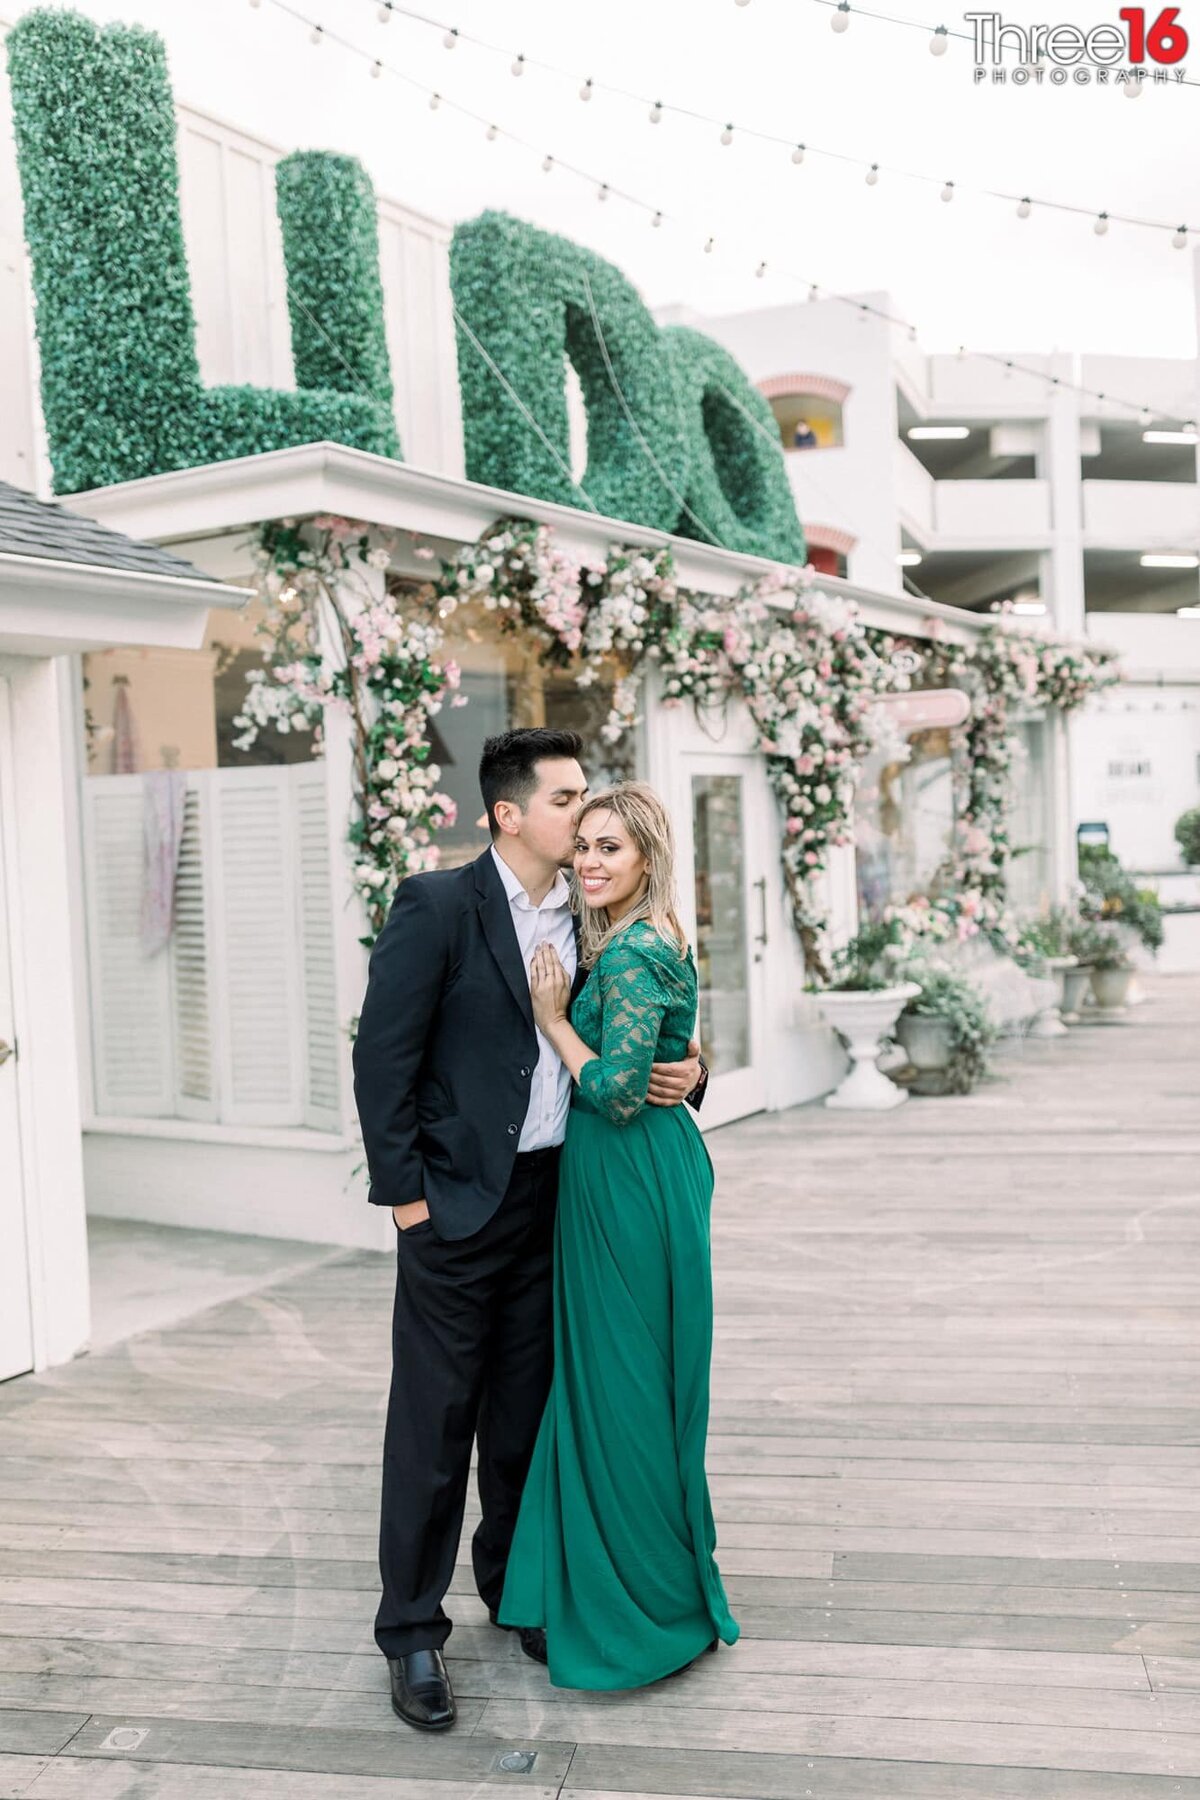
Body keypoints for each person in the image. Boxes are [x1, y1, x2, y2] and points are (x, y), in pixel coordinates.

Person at [352, 729, 706, 1733]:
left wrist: (695, 1071)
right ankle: (412, 1629)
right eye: (564, 801)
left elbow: (640, 1022)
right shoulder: (437, 907)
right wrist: (406, 1197)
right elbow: (384, 1058)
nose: (582, 819)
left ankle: (515, 1591)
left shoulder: (594, 911)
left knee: (525, 1418)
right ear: (508, 814)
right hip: (456, 1209)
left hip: (563, 1203)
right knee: (433, 1427)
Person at [498, 781, 739, 1689]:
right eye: (584, 846)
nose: (590, 863)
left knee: (623, 1391)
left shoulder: (632, 955)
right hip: (634, 1177)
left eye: (611, 850)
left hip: (628, 1180)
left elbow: (616, 1091)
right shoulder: (647, 935)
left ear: (647, 860)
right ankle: (620, 1576)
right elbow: (666, 1053)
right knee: (619, 1384)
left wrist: (555, 1022)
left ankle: (640, 1605)